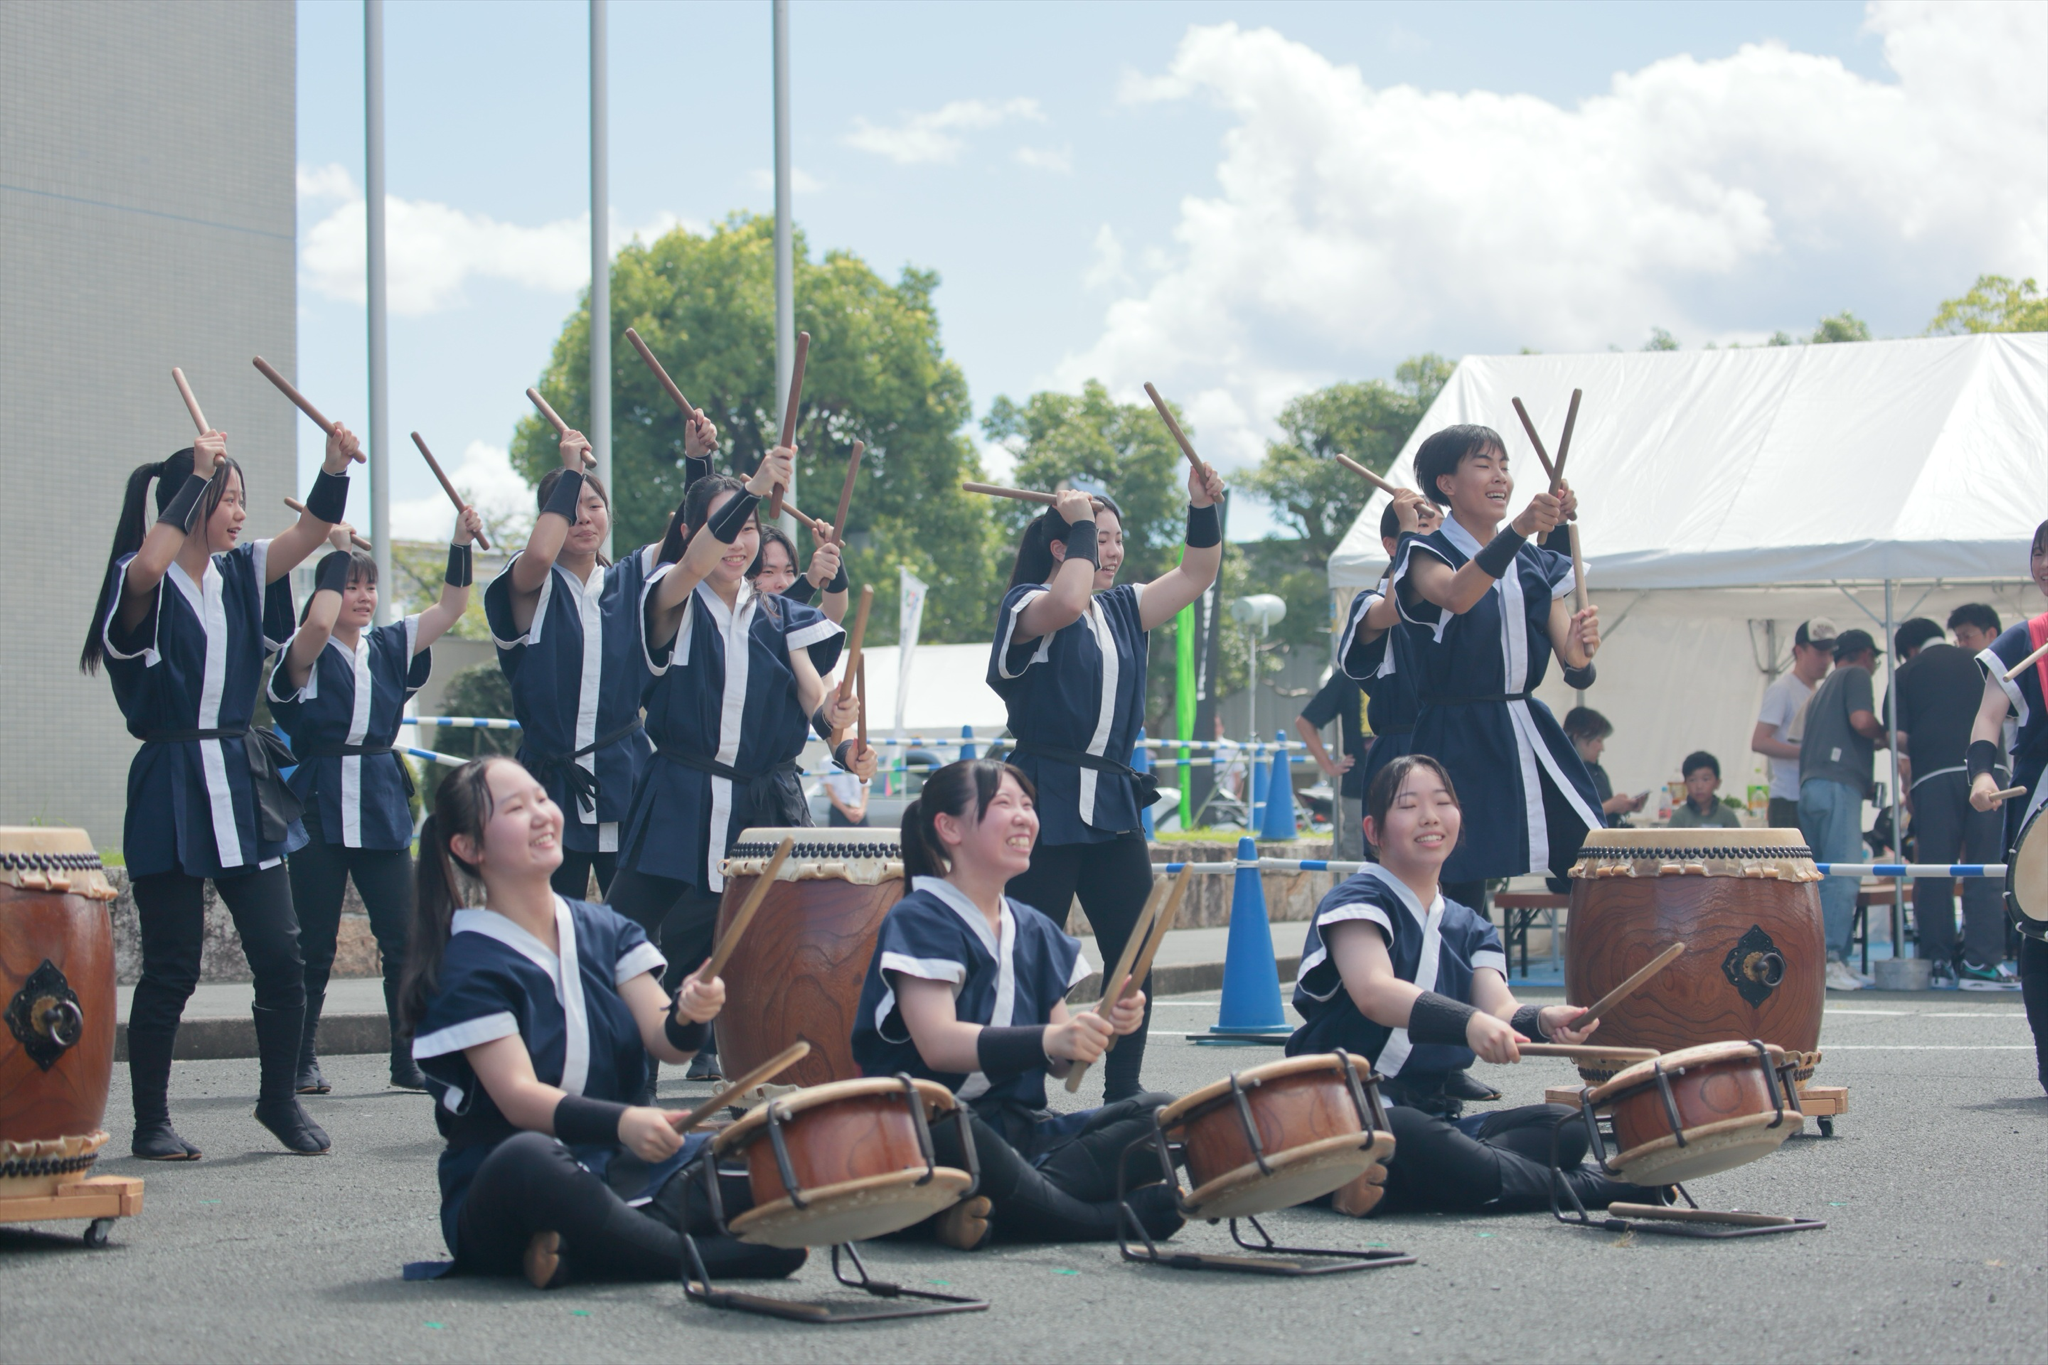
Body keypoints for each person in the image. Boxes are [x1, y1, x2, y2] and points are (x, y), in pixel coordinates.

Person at [398, 756, 805, 1289]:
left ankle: (589, 1250)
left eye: (542, 798)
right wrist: (624, 1122)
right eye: (516, 808)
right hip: (506, 1179)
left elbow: (668, 1042)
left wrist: (690, 1013)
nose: (542, 814)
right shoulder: (468, 959)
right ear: (469, 848)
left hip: (621, 1164)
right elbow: (519, 1097)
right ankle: (706, 1259)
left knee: (758, 1152)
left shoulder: (604, 928)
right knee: (530, 1157)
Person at [81, 418, 363, 1159]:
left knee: (281, 950)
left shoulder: (244, 569)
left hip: (241, 779)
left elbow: (311, 533)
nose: (239, 511)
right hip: (171, 779)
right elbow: (146, 567)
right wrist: (194, 482)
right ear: (193, 498)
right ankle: (150, 1121)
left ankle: (277, 1101)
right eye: (226, 497)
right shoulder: (138, 576)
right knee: (171, 964)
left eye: (239, 497)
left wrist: (334, 465)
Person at [1287, 755, 1660, 1216]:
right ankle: (1604, 1187)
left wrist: (1542, 1021)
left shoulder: (1470, 925)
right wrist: (1468, 1024)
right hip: (1343, 1114)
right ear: (1373, 830)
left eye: (1442, 802)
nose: (1429, 816)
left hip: (1433, 1119)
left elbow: (1498, 1008)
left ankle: (1407, 1182)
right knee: (1412, 1135)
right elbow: (1374, 993)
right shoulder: (1354, 901)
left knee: (1566, 1125)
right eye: (1408, 806)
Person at [607, 451, 876, 1082]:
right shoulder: (668, 595)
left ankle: (777, 1079)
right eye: (730, 526)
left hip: (760, 806)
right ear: (695, 532)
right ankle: (619, 1079)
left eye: (751, 529)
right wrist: (752, 489)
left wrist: (843, 746)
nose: (740, 541)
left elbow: (813, 693)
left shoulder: (783, 616)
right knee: (623, 935)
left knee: (780, 944)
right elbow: (698, 560)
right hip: (677, 793)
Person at [851, 759, 1185, 1248]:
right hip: (922, 1132)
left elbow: (1058, 1064)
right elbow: (940, 1044)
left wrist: (1099, 1027)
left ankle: (998, 1209)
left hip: (1021, 1134)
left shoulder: (1036, 929)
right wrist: (1055, 1037)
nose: (1024, 817)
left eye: (1028, 805)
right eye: (1003, 804)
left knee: (1162, 1116)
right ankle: (1099, 1219)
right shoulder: (920, 917)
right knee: (955, 1131)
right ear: (949, 827)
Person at [990, 464, 1226, 1103]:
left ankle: (1124, 1090)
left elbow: (1198, 572)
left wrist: (1201, 508)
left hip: (1112, 801)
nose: (1113, 550)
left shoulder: (1125, 607)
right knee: (1034, 955)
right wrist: (1074, 524)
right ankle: (1022, 1094)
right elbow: (1065, 602)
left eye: (1118, 538)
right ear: (1062, 548)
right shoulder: (1026, 605)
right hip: (1042, 797)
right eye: (1099, 537)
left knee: (1134, 954)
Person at [268, 505, 484, 1095]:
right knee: (313, 943)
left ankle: (406, 1056)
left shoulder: (389, 644)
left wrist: (460, 543)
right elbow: (316, 628)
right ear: (328, 590)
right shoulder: (302, 651)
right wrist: (335, 551)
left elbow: (451, 607)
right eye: (348, 585)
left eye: (369, 585)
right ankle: (300, 1058)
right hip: (318, 801)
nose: (362, 596)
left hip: (380, 800)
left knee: (404, 937)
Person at [485, 420, 715, 902]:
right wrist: (570, 471)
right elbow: (540, 553)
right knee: (550, 923)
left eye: (594, 506)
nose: (585, 518)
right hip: (549, 781)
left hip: (627, 773)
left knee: (638, 929)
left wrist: (697, 461)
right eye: (570, 509)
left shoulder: (631, 578)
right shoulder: (529, 585)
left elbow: (691, 544)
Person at [1391, 426, 1604, 913]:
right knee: (1458, 877)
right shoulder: (1424, 551)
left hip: (1527, 726)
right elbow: (1456, 596)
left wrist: (1580, 645)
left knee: (1594, 856)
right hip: (1456, 733)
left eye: (1505, 466)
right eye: (1484, 466)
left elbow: (1573, 659)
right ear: (1446, 483)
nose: (1500, 478)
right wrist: (1520, 529)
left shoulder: (1532, 561)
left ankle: (1600, 980)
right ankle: (1458, 986)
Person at [1886, 614, 2010, 988]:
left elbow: (1899, 738)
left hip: (1933, 776)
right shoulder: (1979, 658)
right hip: (1989, 770)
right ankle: (1982, 963)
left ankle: (1938, 961)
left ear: (1908, 649)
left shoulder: (1905, 673)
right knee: (1985, 869)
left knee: (1935, 871)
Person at [1967, 520, 2048, 1089]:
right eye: (2039, 553)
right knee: (2042, 935)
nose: (2044, 563)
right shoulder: (2024, 640)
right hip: (2039, 803)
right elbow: (1989, 719)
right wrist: (1979, 775)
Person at [1329, 490, 1444, 855]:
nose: (1436, 538)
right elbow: (1398, 607)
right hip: (1403, 749)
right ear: (1392, 544)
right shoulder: (1372, 602)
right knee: (1399, 865)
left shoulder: (1461, 599)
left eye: (1442, 528)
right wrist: (1412, 536)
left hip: (1453, 743)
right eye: (1425, 526)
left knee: (1460, 872)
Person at [1798, 628, 1889, 991]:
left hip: (1811, 785)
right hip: (1838, 785)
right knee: (1843, 873)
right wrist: (1885, 734)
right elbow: (1862, 721)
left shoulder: (1821, 690)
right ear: (1865, 654)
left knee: (1820, 877)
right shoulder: (1855, 675)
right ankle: (1834, 958)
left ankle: (1819, 959)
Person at [1752, 620, 1837, 830]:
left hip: (1814, 795)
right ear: (1799, 651)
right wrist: (1807, 752)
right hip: (1788, 798)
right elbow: (1760, 741)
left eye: (1830, 653)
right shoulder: (1782, 689)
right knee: (1789, 863)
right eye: (1819, 653)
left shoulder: (1820, 691)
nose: (1826, 660)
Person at [1295, 670, 1366, 858]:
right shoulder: (1349, 676)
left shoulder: (1407, 666)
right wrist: (1329, 766)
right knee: (1359, 861)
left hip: (1403, 785)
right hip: (1359, 787)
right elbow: (1304, 722)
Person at [1561, 707, 1647, 828]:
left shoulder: (1598, 772)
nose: (1602, 748)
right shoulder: (1563, 773)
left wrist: (1623, 807)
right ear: (1578, 738)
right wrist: (1612, 805)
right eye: (1598, 740)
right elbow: (1570, 818)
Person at [751, 523, 849, 624]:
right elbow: (771, 624)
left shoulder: (797, 631)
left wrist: (832, 553)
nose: (783, 583)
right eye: (768, 572)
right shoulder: (738, 625)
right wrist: (809, 582)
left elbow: (833, 612)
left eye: (789, 571)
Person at [1669, 751, 1741, 828]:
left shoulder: (1727, 816)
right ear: (1685, 784)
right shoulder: (1679, 818)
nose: (1699, 786)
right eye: (1692, 780)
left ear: (1717, 783)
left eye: (1706, 779)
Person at [823, 760, 870, 828]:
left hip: (859, 811)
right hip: (839, 810)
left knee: (865, 837)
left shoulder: (861, 758)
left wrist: (862, 810)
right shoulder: (827, 761)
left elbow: (865, 788)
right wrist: (846, 811)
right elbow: (829, 790)